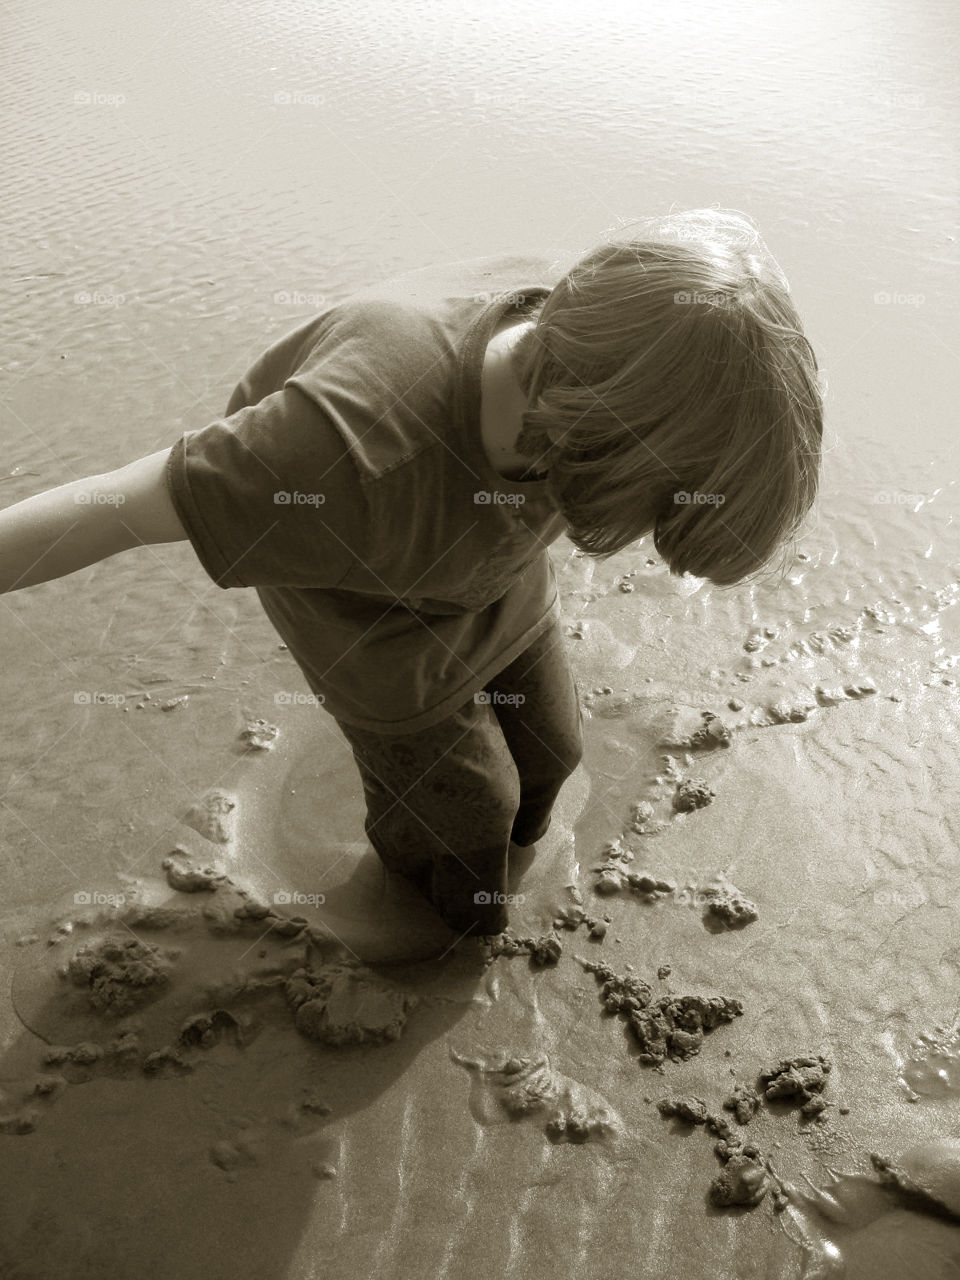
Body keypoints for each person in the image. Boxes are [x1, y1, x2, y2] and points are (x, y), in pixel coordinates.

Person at [0, 207, 824, 942]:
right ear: (589, 431)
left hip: (490, 568)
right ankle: (435, 906)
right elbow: (115, 508)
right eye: (648, 511)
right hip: (373, 616)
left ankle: (493, 875)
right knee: (470, 823)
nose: (636, 537)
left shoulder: (616, 328)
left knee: (553, 756)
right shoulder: (338, 451)